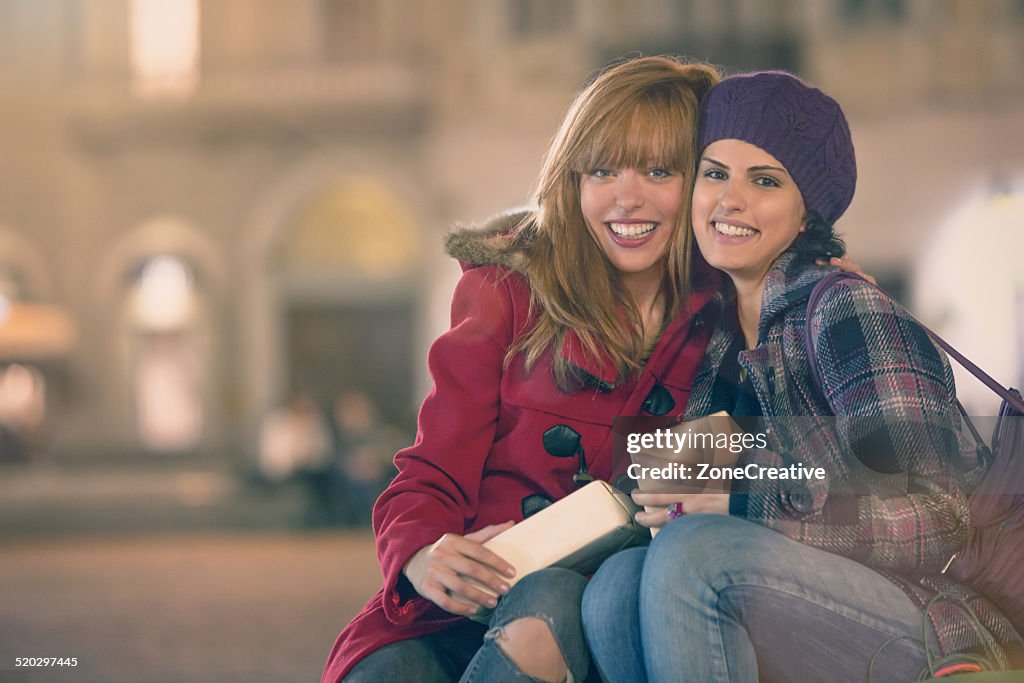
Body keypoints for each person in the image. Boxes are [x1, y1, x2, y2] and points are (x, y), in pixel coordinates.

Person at [582, 71, 1023, 682]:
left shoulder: (845, 310)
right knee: (614, 587)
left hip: (933, 621)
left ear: (805, 210)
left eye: (764, 181)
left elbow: (937, 520)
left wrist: (740, 502)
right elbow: (714, 479)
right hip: (801, 605)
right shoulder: (720, 335)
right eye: (715, 173)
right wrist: (668, 493)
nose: (729, 200)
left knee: (695, 553)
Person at [322, 56, 722, 683]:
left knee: (550, 604)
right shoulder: (507, 291)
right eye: (602, 170)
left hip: (593, 614)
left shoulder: (727, 320)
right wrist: (423, 556)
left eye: (658, 170)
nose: (626, 197)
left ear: (702, 182)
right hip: (456, 607)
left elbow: (768, 468)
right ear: (573, 182)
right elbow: (428, 472)